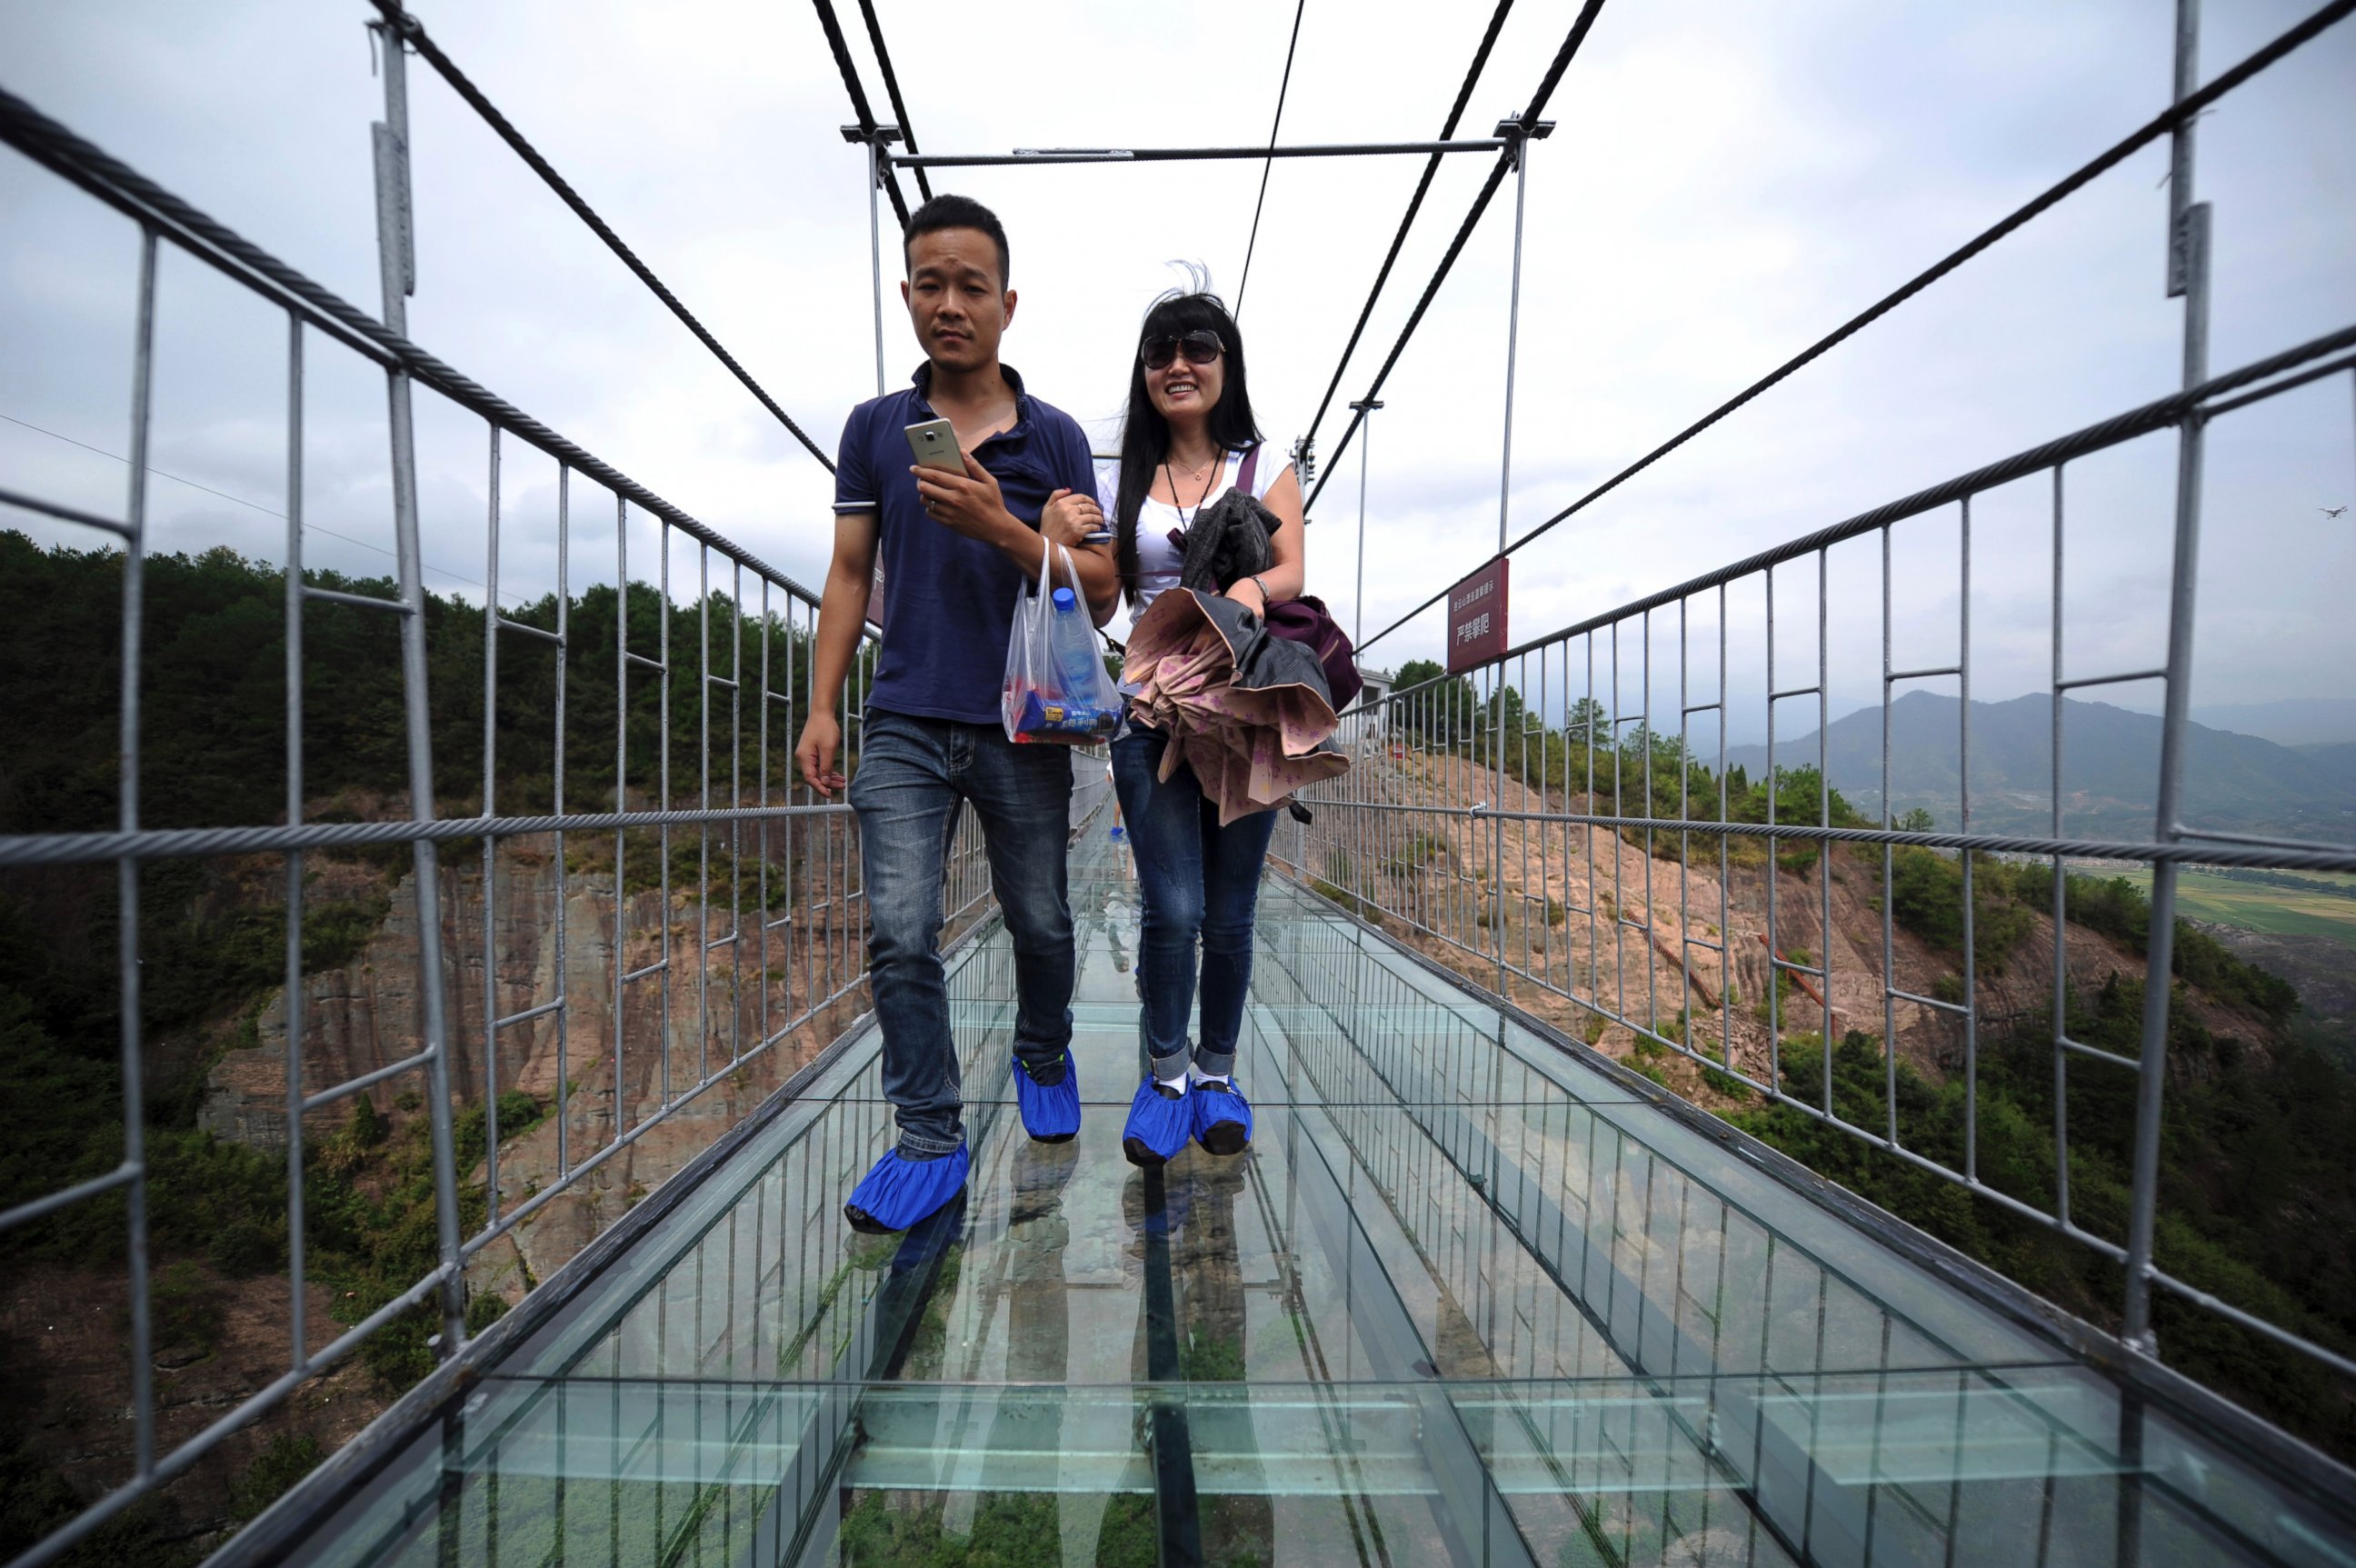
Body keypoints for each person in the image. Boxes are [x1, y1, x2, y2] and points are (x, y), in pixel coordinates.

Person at [798, 194, 1115, 1233]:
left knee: (1042, 919)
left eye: (970, 286)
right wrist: (822, 707)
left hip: (1025, 720)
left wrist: (1005, 524)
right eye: (929, 284)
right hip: (903, 716)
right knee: (897, 931)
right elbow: (851, 573)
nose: (949, 304)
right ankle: (929, 1136)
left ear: (1007, 303)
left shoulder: (1057, 437)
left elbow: (1103, 590)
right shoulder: (875, 429)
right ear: (906, 294)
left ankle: (1041, 1047)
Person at [1099, 289, 1305, 1167]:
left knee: (1230, 912)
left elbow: (1293, 568)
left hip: (1243, 709)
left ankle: (1218, 1074)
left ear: (1228, 363)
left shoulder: (1266, 465)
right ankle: (1167, 1074)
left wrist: (1244, 596)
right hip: (1151, 709)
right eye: (1159, 351)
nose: (1177, 363)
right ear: (1144, 372)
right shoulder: (1125, 478)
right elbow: (1107, 598)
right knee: (1172, 907)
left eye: (1198, 347)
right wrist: (1055, 539)